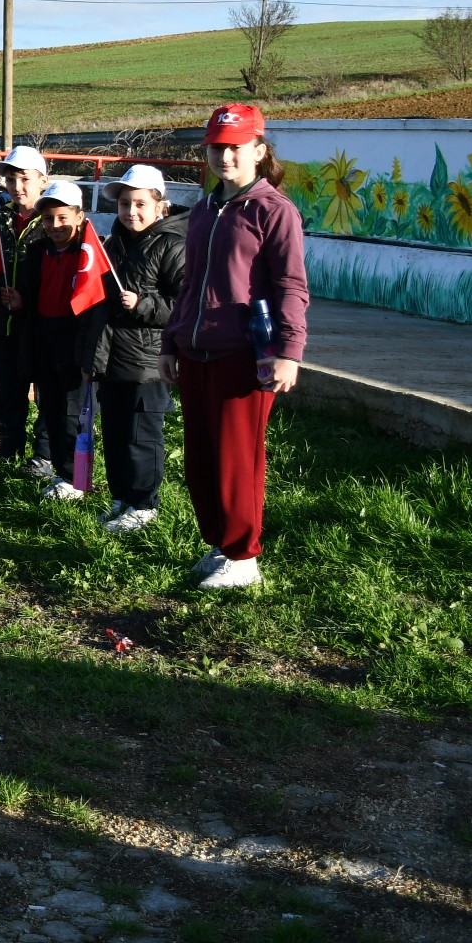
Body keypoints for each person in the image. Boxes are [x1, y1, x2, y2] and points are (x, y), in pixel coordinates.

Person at [161, 105, 308, 590]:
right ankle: (220, 542)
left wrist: (289, 350)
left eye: (235, 147)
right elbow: (187, 285)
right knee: (201, 455)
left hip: (245, 353)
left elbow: (291, 285)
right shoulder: (204, 209)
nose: (224, 156)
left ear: (258, 151)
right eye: (216, 147)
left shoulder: (273, 211)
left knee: (236, 456)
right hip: (195, 350)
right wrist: (170, 340)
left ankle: (244, 556)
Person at [91, 165, 186, 534]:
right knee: (114, 432)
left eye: (140, 204)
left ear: (160, 205)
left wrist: (145, 303)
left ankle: (144, 504)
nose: (131, 212)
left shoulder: (173, 245)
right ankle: (122, 497)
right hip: (112, 357)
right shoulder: (112, 244)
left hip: (149, 362)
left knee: (142, 435)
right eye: (124, 204)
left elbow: (185, 303)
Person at [6, 182, 111, 500]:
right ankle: (62, 471)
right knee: (50, 409)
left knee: (72, 413)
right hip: (43, 337)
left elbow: (95, 305)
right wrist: (19, 301)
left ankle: (76, 478)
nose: (54, 226)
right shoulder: (38, 252)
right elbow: (34, 294)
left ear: (80, 217)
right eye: (48, 219)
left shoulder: (92, 255)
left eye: (62, 217)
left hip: (74, 340)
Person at [0, 146, 51, 473]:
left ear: (43, 179)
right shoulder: (2, 215)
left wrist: (27, 300)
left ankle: (44, 454)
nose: (18, 186)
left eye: (26, 179)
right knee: (7, 386)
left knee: (43, 389)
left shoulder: (53, 218)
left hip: (41, 320)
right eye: (12, 180)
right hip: (6, 319)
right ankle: (8, 449)